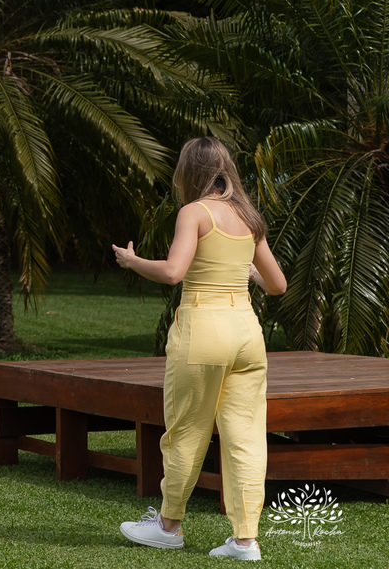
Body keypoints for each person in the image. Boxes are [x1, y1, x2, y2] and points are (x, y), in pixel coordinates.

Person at [112, 137, 287, 561]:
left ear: (189, 172)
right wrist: (249, 273)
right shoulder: (249, 217)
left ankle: (168, 527)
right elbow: (278, 285)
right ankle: (245, 541)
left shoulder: (194, 212)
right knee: (246, 438)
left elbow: (174, 271)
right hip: (247, 335)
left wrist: (133, 262)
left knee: (186, 431)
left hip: (203, 331)